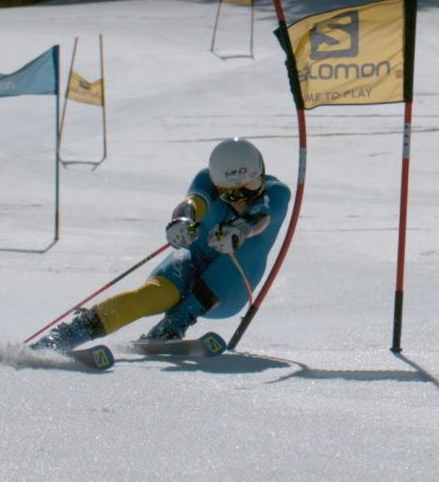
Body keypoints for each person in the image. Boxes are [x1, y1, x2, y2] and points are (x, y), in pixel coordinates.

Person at [31, 138, 291, 352]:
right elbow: (193, 202)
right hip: (194, 260)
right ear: (218, 185)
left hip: (231, 288)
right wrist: (182, 221)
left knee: (245, 248)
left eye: (252, 187)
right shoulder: (206, 179)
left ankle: (178, 319)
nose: (243, 200)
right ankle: (72, 333)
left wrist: (240, 228)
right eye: (232, 194)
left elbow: (261, 214)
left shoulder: (276, 192)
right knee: (154, 296)